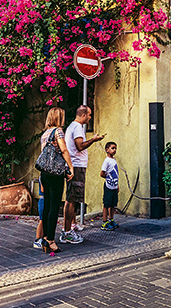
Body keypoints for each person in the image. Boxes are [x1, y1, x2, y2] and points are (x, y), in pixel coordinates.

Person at [63, 105, 104, 243]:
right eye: (89, 115)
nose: (90, 117)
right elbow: (80, 146)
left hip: (75, 165)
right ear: (83, 115)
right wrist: (94, 139)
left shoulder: (72, 127)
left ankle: (71, 225)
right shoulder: (77, 127)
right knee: (72, 199)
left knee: (73, 197)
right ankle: (67, 232)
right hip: (76, 166)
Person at [38, 107, 74, 254]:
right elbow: (64, 150)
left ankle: (45, 237)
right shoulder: (58, 131)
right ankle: (51, 240)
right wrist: (70, 167)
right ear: (59, 117)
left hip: (45, 173)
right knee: (54, 206)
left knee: (47, 205)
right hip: (55, 174)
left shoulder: (45, 134)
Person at [101, 141, 119, 230]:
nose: (114, 150)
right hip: (108, 186)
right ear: (107, 150)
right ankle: (104, 222)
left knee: (112, 204)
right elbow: (102, 173)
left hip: (114, 186)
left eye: (115, 148)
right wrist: (108, 178)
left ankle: (111, 219)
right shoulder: (107, 161)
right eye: (112, 148)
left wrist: (117, 184)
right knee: (106, 204)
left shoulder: (114, 160)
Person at [33, 181, 45, 249]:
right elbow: (43, 189)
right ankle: (37, 239)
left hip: (46, 199)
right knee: (42, 220)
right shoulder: (42, 177)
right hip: (43, 199)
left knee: (44, 221)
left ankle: (43, 237)